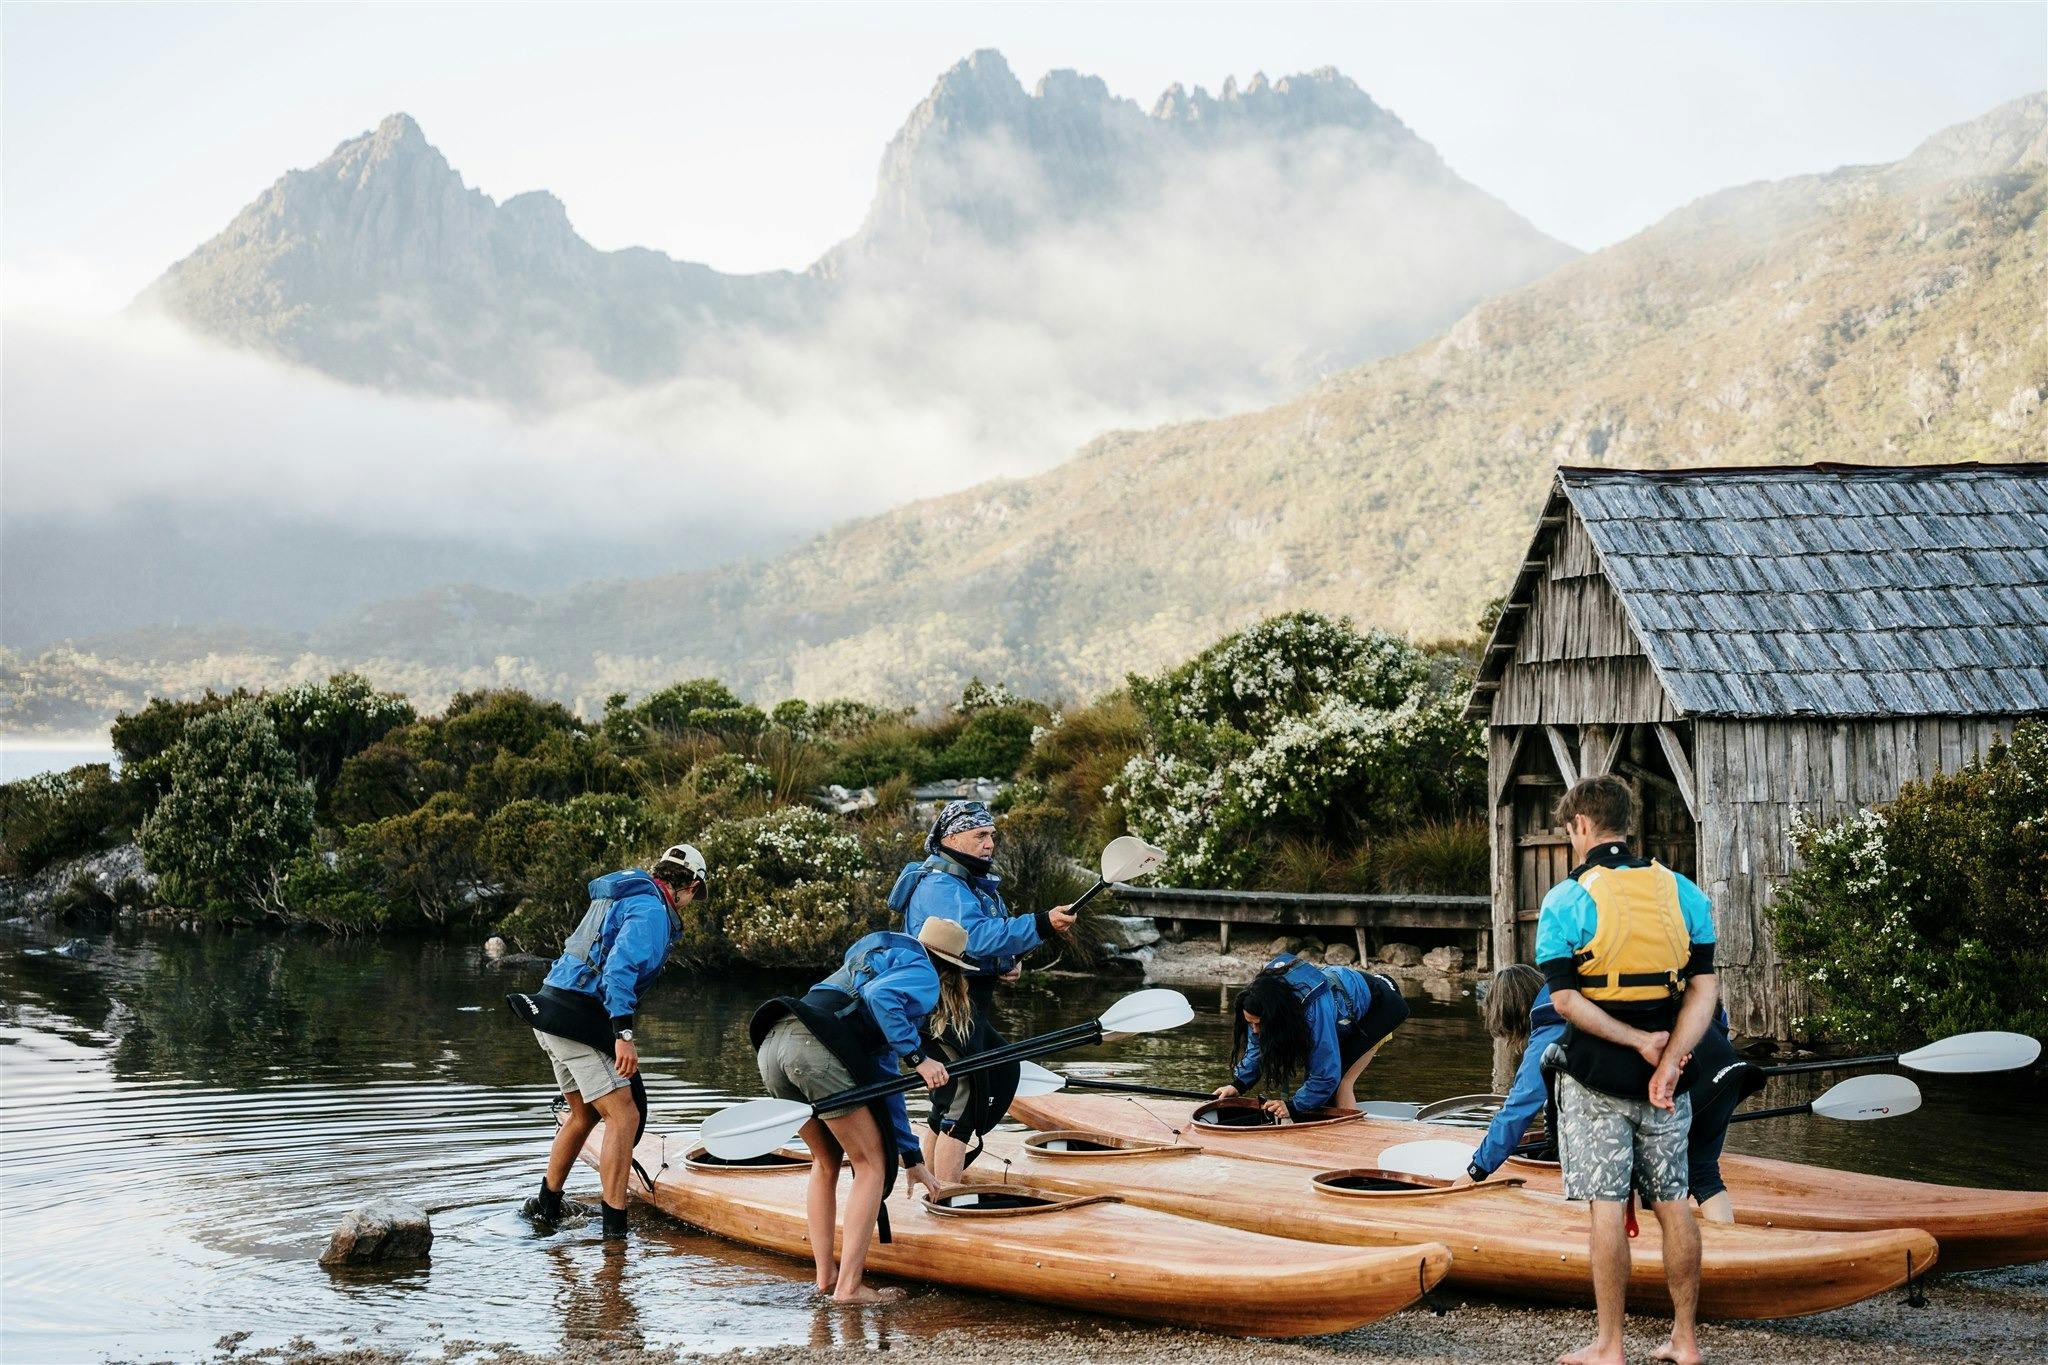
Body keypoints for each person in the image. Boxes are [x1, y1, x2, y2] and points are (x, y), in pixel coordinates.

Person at [1537, 776, 1718, 1365]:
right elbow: (1704, 991)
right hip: (1669, 1078)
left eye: (1569, 833)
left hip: (1596, 1076)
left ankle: (1610, 1346)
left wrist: (1639, 1041)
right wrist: (1668, 1061)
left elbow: (1565, 1002)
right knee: (1673, 1201)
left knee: (1607, 1208)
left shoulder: (1565, 900)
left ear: (1581, 826)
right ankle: (1685, 1341)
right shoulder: (1684, 891)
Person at [747, 919, 973, 1304]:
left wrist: (912, 1156)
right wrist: (919, 1058)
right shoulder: (923, 972)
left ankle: (826, 1277)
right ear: (950, 969)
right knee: (871, 1166)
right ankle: (849, 1288)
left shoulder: (873, 962)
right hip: (814, 1049)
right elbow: (883, 999)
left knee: (826, 1160)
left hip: (773, 1044)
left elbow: (886, 1083)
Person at [508, 842, 707, 1238]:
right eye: (695, 894)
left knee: (584, 1114)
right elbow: (618, 972)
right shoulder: (652, 910)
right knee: (625, 1115)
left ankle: (547, 1207)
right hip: (575, 1018)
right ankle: (615, 1230)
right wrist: (624, 1036)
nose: (691, 903)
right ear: (688, 885)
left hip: (549, 1008)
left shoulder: (627, 895)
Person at [888, 799, 1076, 1182]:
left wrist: (1009, 962)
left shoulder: (970, 882)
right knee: (965, 1099)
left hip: (966, 1005)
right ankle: (945, 1195)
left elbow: (989, 941)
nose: (990, 843)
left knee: (1000, 1069)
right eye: (980, 836)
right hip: (941, 1008)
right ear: (952, 837)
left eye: (992, 835)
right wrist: (1041, 923)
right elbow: (974, 937)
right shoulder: (941, 884)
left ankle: (930, 1180)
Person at [1213, 952, 1410, 1118]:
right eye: (1250, 1024)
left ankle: (1351, 1144)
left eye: (1258, 1025)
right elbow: (1257, 1047)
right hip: (1343, 1012)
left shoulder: (1314, 1010)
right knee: (1315, 1091)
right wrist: (1237, 1085)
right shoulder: (1259, 1006)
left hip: (1379, 1006)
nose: (1255, 1030)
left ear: (1274, 1018)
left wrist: (1291, 1106)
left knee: (1340, 1082)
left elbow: (1325, 1075)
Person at [1454, 962, 1564, 1184]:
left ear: (1515, 1014)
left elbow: (1519, 1107)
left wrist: (1477, 1170)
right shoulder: (1562, 1005)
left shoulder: (1549, 1033)